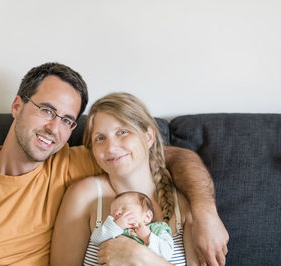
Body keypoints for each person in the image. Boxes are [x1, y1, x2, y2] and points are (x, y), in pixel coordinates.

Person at [0, 63, 228, 266]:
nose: (55, 128)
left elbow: (168, 156)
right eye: (47, 110)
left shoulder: (75, 163)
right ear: (16, 106)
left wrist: (206, 212)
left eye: (68, 120)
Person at [51, 92, 223, 266]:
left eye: (122, 132)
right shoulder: (84, 195)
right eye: (100, 138)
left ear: (148, 136)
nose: (111, 148)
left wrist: (141, 258)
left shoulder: (184, 203)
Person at [90, 191, 174, 261]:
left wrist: (147, 236)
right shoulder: (113, 230)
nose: (117, 213)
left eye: (124, 209)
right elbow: (96, 240)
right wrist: (115, 226)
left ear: (147, 217)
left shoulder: (157, 229)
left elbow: (167, 253)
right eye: (113, 213)